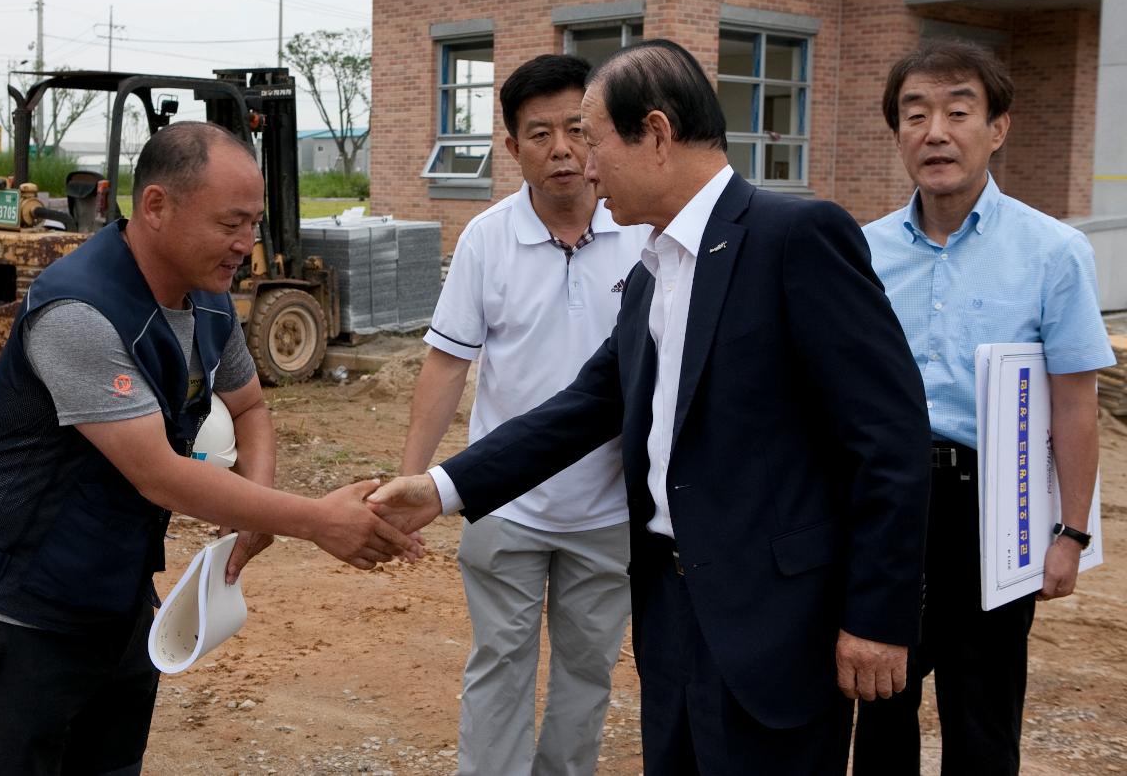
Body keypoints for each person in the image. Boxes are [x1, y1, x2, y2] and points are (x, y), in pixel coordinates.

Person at [370, 39, 931, 775]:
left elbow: (890, 439)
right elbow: (582, 409)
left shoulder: (795, 239)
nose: (584, 163)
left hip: (773, 619)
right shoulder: (652, 270)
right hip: (670, 606)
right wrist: (441, 487)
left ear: (658, 134)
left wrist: (877, 618)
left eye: (594, 139)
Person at [0, 121, 414, 775]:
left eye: (254, 223)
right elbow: (159, 474)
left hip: (117, 602)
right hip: (13, 609)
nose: (247, 244)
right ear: (155, 207)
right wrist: (317, 519)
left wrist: (254, 503)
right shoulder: (80, 312)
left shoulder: (206, 299)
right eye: (231, 223)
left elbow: (250, 407)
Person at [853, 39, 1115, 776]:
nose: (935, 131)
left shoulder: (1053, 251)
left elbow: (1074, 403)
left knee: (984, 713)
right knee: (880, 702)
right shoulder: (861, 251)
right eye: (915, 114)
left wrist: (1068, 532)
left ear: (997, 127)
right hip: (886, 504)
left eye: (958, 111)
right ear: (898, 132)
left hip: (996, 507)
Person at [400, 53, 651, 775]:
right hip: (504, 505)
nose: (563, 149)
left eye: (578, 128)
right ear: (512, 148)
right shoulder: (486, 238)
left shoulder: (640, 231)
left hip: (607, 509)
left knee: (587, 673)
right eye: (539, 134)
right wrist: (411, 482)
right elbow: (448, 362)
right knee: (499, 664)